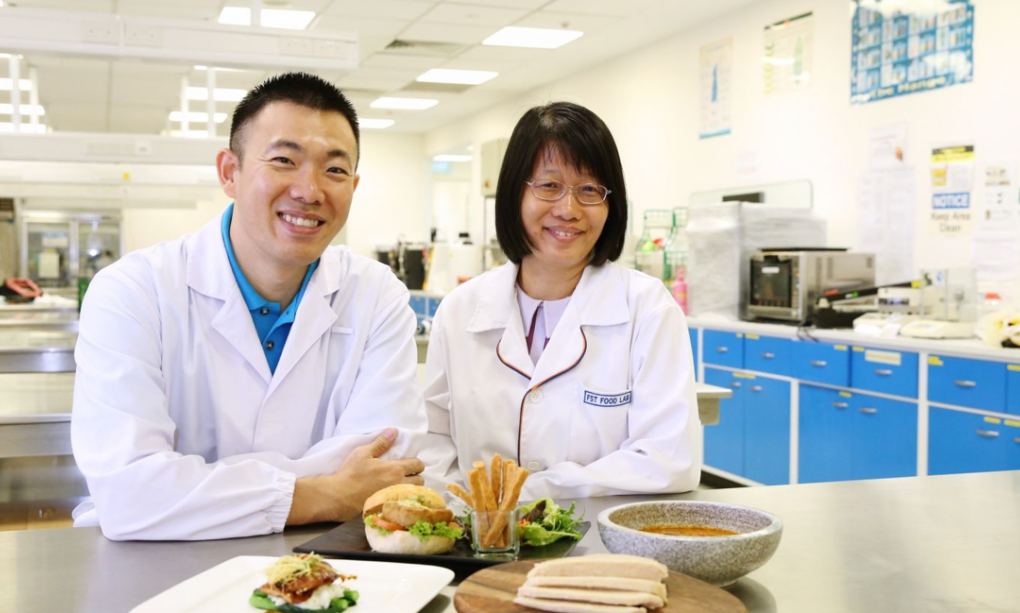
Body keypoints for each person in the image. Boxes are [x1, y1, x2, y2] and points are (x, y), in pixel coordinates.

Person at [72, 73, 427, 541]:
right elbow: (130, 492)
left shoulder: (377, 293)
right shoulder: (132, 291)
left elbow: (385, 472)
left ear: (354, 186)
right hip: (155, 572)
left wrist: (193, 485)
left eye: (334, 170)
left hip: (329, 571)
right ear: (229, 172)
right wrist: (323, 492)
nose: (309, 190)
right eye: (284, 160)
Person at [421, 102, 701, 500]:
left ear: (611, 204)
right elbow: (433, 445)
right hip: (474, 542)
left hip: (603, 548)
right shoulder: (460, 310)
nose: (568, 210)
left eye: (589, 189)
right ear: (514, 194)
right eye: (548, 186)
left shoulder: (647, 308)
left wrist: (525, 496)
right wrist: (471, 519)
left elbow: (668, 461)